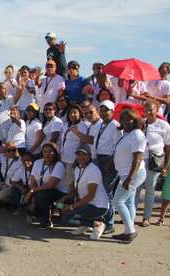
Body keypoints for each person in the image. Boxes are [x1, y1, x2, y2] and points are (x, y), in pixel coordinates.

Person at [135, 101, 170, 227]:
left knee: (150, 190)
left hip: (155, 160)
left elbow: (169, 147)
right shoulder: (141, 123)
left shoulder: (164, 125)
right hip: (140, 160)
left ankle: (146, 218)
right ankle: (131, 215)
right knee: (136, 188)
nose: (148, 112)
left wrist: (166, 165)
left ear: (157, 109)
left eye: (150, 109)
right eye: (146, 109)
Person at [60, 144, 109, 240]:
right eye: (79, 154)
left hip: (98, 206)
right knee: (63, 211)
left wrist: (70, 207)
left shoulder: (93, 170)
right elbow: (75, 189)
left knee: (67, 218)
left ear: (90, 156)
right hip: (87, 203)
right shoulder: (78, 168)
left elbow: (90, 196)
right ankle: (84, 226)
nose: (81, 157)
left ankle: (98, 224)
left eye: (84, 154)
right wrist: (63, 199)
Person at [112, 109, 147, 243]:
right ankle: (128, 231)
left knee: (118, 201)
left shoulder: (137, 134)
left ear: (136, 120)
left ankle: (131, 231)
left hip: (133, 174)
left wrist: (130, 178)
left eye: (129, 119)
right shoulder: (127, 134)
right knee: (129, 202)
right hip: (125, 173)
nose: (126, 121)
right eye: (123, 119)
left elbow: (138, 159)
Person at [89, 100, 122, 233]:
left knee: (107, 192)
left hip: (109, 160)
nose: (103, 112)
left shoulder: (115, 125)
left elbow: (117, 146)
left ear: (112, 112)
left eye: (106, 110)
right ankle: (102, 220)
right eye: (101, 109)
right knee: (101, 191)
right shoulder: (101, 124)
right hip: (99, 159)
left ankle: (110, 223)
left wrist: (111, 162)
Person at [28, 142, 67, 228]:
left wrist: (33, 191)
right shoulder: (38, 162)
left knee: (41, 195)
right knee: (30, 204)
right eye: (45, 152)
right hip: (42, 190)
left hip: (59, 191)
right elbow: (32, 180)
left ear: (55, 153)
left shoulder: (59, 165)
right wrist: (32, 191)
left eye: (50, 152)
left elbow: (51, 185)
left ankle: (46, 221)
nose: (47, 154)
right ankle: (38, 213)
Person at [60, 105, 88, 186]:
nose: (72, 115)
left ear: (80, 114)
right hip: (64, 158)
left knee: (71, 183)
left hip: (73, 160)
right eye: (70, 113)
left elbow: (83, 142)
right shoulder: (66, 125)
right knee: (65, 182)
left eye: (75, 112)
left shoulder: (82, 126)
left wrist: (78, 158)